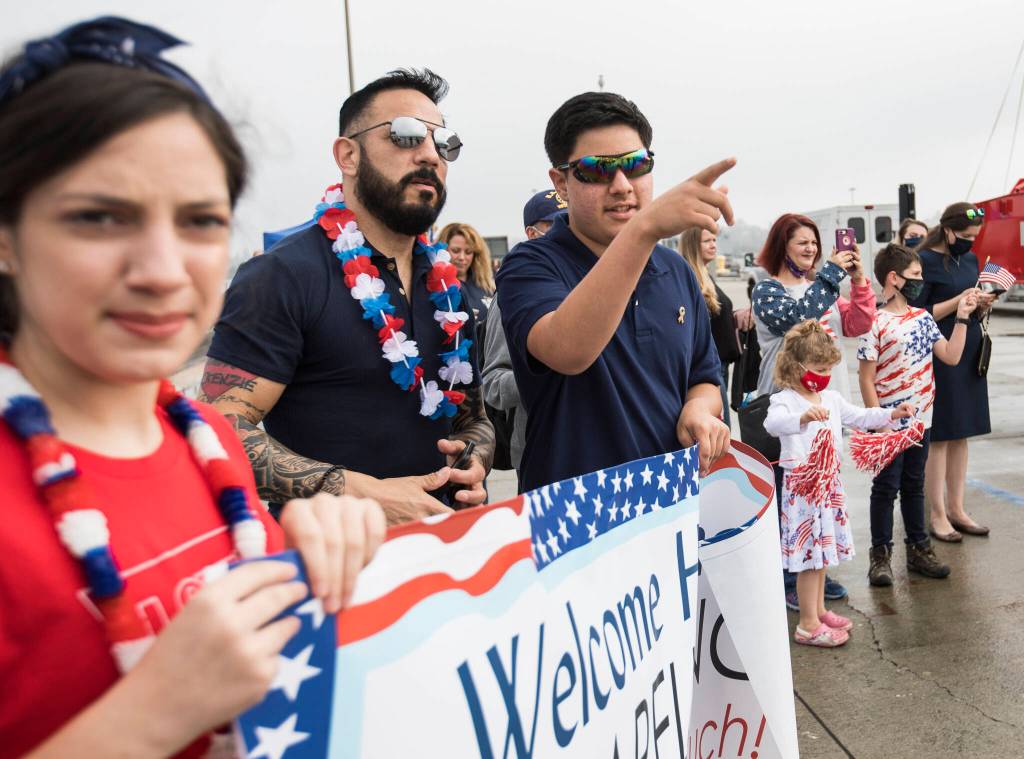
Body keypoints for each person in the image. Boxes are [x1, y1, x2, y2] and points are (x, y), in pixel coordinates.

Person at [0, 18, 384, 757]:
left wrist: (311, 562)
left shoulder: (207, 443)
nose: (163, 270)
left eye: (201, 221)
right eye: (99, 217)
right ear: (7, 237)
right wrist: (152, 712)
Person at [203, 68, 494, 524]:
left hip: (448, 558)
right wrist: (358, 492)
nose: (430, 155)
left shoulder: (445, 285)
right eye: (405, 135)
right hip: (335, 570)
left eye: (444, 143)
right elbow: (216, 430)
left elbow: (472, 418)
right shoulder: (282, 275)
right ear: (348, 156)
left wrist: (475, 456)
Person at [497, 91, 732, 492]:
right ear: (561, 183)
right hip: (573, 519)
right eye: (596, 170)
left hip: (668, 507)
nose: (622, 185)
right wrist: (643, 230)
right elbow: (567, 350)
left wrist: (699, 409)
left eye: (635, 165)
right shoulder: (531, 265)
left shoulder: (675, 269)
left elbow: (705, 378)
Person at [750, 213, 876, 606]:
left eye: (814, 243)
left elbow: (858, 323)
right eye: (802, 242)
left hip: (824, 409)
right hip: (786, 411)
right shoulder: (767, 292)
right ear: (781, 247)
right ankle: (789, 579)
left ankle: (812, 577)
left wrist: (857, 280)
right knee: (791, 499)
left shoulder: (827, 288)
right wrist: (830, 276)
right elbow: (795, 318)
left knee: (819, 497)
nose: (811, 249)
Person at [764, 321, 913, 647]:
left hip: (827, 486)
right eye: (819, 368)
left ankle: (817, 611)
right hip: (803, 489)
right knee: (807, 560)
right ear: (796, 366)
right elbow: (772, 425)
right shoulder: (786, 400)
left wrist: (891, 414)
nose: (824, 374)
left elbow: (861, 417)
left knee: (820, 559)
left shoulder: (830, 398)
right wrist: (801, 419)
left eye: (828, 368)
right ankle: (807, 624)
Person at [858, 244, 977, 585]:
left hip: (922, 422)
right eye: (915, 276)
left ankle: (918, 549)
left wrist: (964, 316)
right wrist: (877, 421)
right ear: (893, 278)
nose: (921, 282)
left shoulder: (923, 319)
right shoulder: (875, 321)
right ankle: (880, 556)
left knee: (914, 487)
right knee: (885, 488)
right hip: (890, 425)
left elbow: (951, 356)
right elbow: (867, 377)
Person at [908, 202, 995, 542]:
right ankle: (938, 513)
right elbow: (918, 310)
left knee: (962, 432)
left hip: (969, 346)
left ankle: (957, 508)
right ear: (947, 230)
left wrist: (981, 303)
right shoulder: (923, 261)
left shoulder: (970, 260)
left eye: (975, 236)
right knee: (941, 434)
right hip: (940, 351)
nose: (970, 242)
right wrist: (959, 300)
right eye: (964, 235)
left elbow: (967, 303)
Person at [481, 189, 567, 476]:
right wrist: (548, 372)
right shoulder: (514, 293)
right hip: (544, 456)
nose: (567, 231)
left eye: (572, 221)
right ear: (531, 233)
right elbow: (493, 384)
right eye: (555, 225)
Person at [678, 227, 753, 427]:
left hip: (720, 362)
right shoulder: (689, 277)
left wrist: (736, 318)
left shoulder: (704, 275)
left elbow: (713, 318)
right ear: (693, 244)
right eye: (707, 241)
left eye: (714, 240)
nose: (713, 245)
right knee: (719, 427)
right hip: (709, 366)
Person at [438, 222, 495, 333]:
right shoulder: (437, 289)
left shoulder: (488, 285)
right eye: (456, 251)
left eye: (468, 252)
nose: (462, 257)